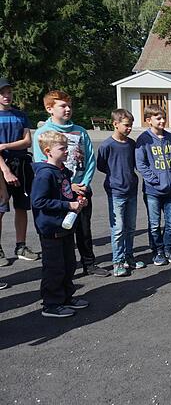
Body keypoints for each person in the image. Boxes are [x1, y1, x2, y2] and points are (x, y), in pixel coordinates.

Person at [33, 90, 106, 276]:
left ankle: (89, 263)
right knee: (63, 231)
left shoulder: (80, 131)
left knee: (84, 229)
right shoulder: (43, 133)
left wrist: (84, 184)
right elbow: (41, 162)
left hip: (81, 189)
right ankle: (65, 268)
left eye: (69, 106)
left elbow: (90, 159)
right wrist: (68, 185)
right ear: (49, 108)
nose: (67, 109)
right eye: (62, 106)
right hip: (60, 192)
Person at [31, 131, 89, 318]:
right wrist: (67, 204)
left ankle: (65, 297)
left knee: (69, 263)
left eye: (67, 147)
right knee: (54, 267)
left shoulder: (62, 171)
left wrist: (76, 201)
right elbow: (38, 201)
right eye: (62, 148)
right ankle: (51, 304)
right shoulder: (44, 175)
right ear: (48, 151)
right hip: (50, 228)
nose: (66, 151)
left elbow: (64, 193)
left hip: (65, 226)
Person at [135, 104, 171, 266]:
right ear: (149, 120)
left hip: (170, 188)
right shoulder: (144, 139)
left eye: (163, 117)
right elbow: (141, 164)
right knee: (154, 224)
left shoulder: (170, 137)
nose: (162, 121)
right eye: (158, 118)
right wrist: (154, 180)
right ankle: (158, 251)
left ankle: (168, 248)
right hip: (152, 190)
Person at [0, 77, 38, 266]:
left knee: (22, 206)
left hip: (21, 165)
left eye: (9, 92)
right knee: (0, 208)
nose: (7, 96)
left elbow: (27, 141)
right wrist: (5, 170)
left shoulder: (21, 115)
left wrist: (5, 145)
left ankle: (20, 246)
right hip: (2, 167)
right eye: (3, 93)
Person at [96, 109, 139, 276]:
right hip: (116, 192)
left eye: (131, 125)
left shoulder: (131, 144)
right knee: (118, 228)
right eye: (126, 125)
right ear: (115, 124)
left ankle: (129, 257)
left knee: (131, 227)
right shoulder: (107, 145)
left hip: (132, 190)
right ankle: (118, 261)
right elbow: (101, 165)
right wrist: (115, 176)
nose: (129, 128)